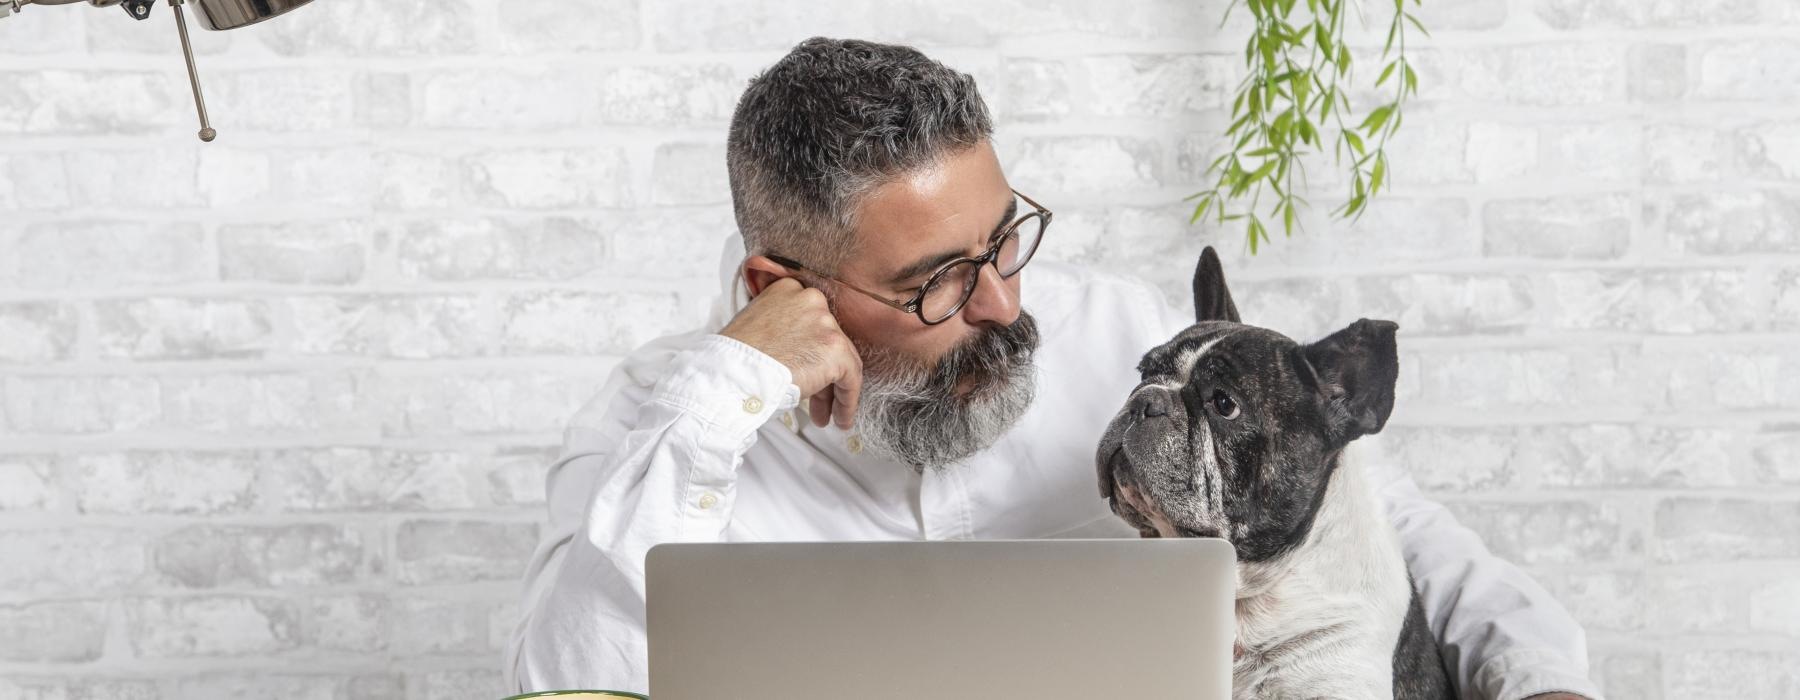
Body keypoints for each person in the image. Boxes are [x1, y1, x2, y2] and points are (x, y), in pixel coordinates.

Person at [505, 37, 1601, 700]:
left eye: (1004, 239)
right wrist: (725, 391)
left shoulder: (1127, 339)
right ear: (777, 286)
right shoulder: (660, 437)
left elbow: (1388, 529)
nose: (1002, 304)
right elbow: (576, 676)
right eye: (938, 281)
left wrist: (1539, 674)